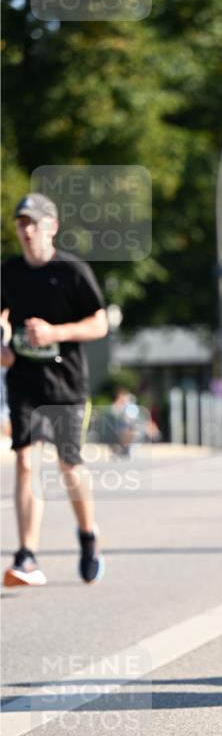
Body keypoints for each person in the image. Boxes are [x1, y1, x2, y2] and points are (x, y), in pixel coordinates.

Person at [1, 193, 108, 586]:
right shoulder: (9, 272)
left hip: (66, 382)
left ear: (52, 226)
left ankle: (88, 535)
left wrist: (54, 333)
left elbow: (99, 324)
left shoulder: (72, 272)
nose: (27, 230)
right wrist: (3, 345)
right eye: (21, 223)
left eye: (34, 222)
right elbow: (2, 315)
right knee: (26, 462)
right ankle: (27, 555)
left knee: (68, 466)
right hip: (24, 380)